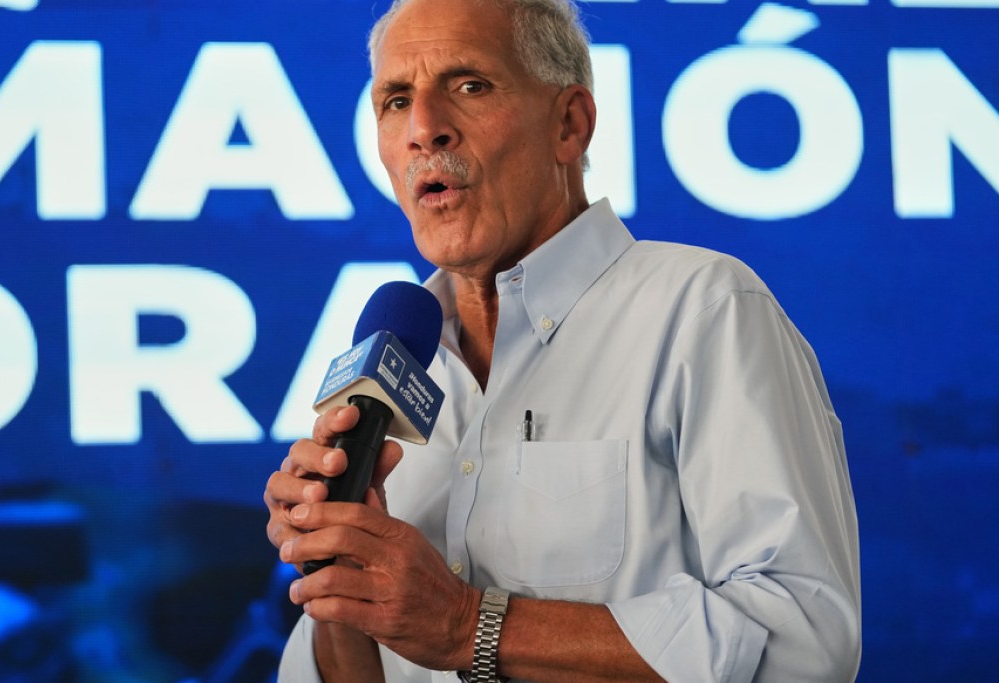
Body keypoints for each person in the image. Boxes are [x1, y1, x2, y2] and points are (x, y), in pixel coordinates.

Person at [263, 0, 861, 680]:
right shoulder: (397, 367)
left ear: (569, 124)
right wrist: (341, 580)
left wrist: (466, 624)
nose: (424, 129)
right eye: (396, 101)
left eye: (470, 86)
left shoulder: (703, 310)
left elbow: (803, 640)